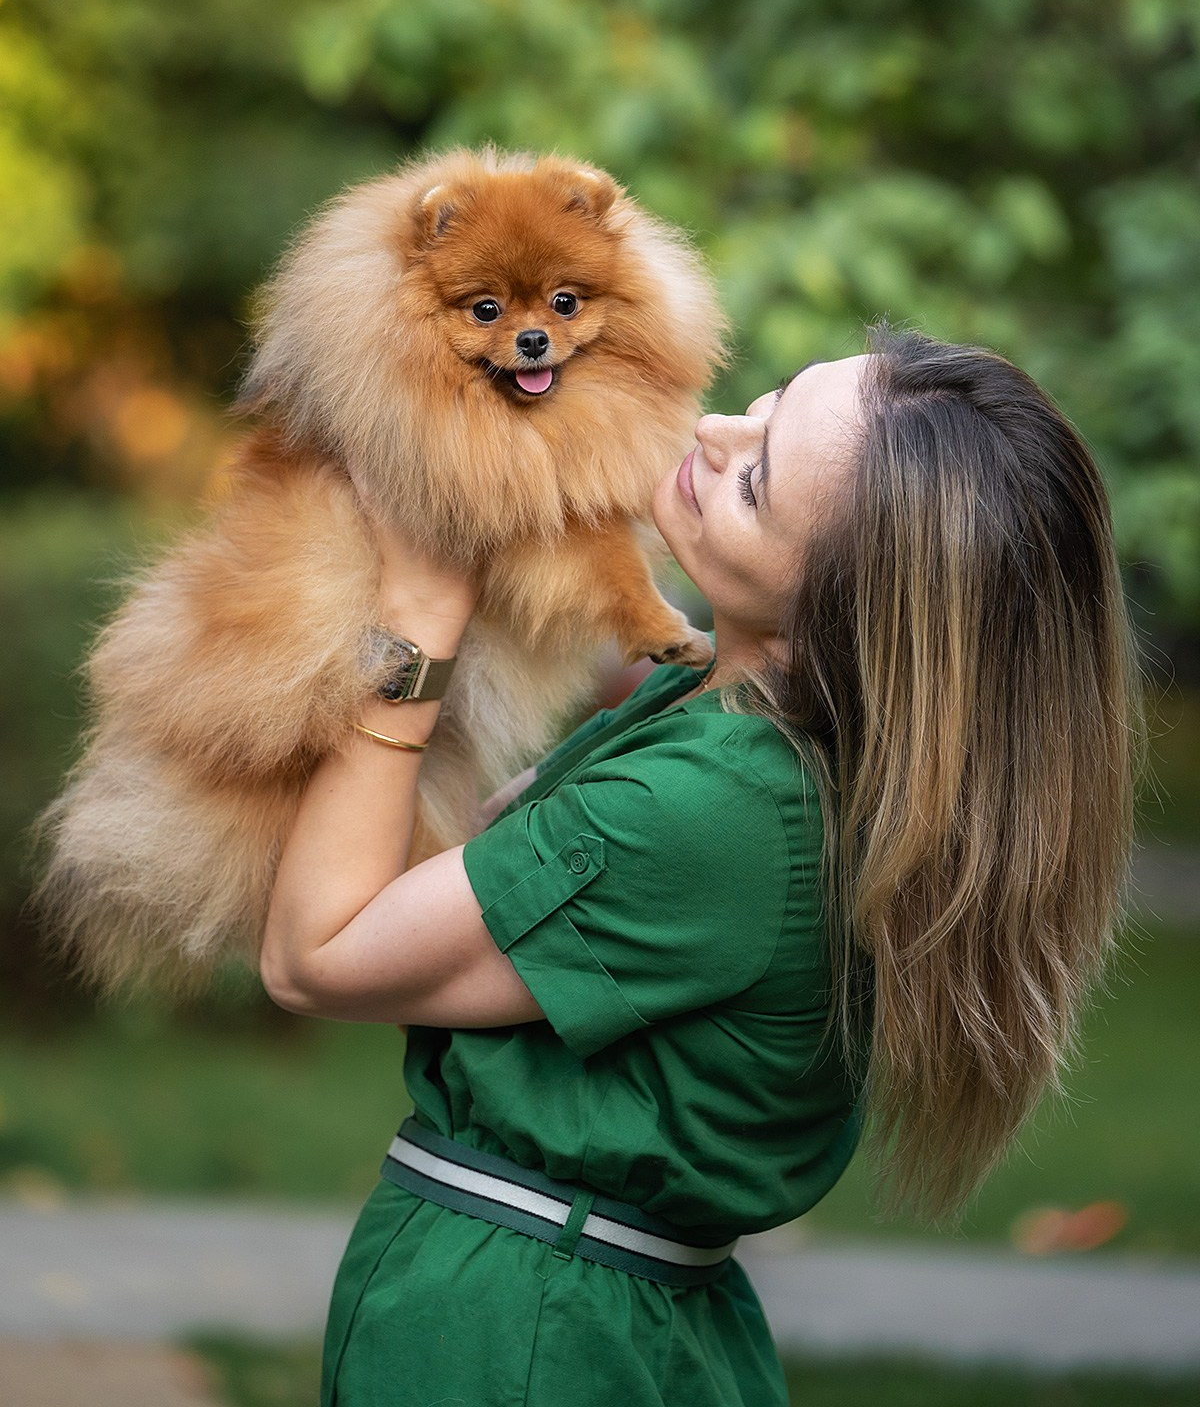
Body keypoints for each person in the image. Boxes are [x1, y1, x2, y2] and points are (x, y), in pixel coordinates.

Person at [260, 323, 1139, 1407]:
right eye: (767, 403)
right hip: (583, 1306)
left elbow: (319, 951)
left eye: (757, 483)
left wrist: (418, 613)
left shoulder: (717, 806)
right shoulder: (721, 717)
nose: (714, 429)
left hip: (528, 1337)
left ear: (841, 618)